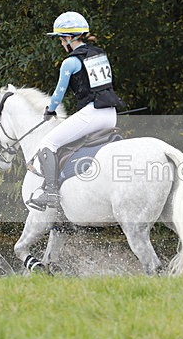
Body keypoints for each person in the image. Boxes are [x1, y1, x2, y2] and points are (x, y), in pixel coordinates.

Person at [27, 11, 124, 210]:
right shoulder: (99, 54)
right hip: (110, 114)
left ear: (69, 38)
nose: (61, 44)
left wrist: (50, 110)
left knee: (48, 143)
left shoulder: (70, 62)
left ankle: (51, 193)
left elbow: (58, 93)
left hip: (93, 114)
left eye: (62, 39)